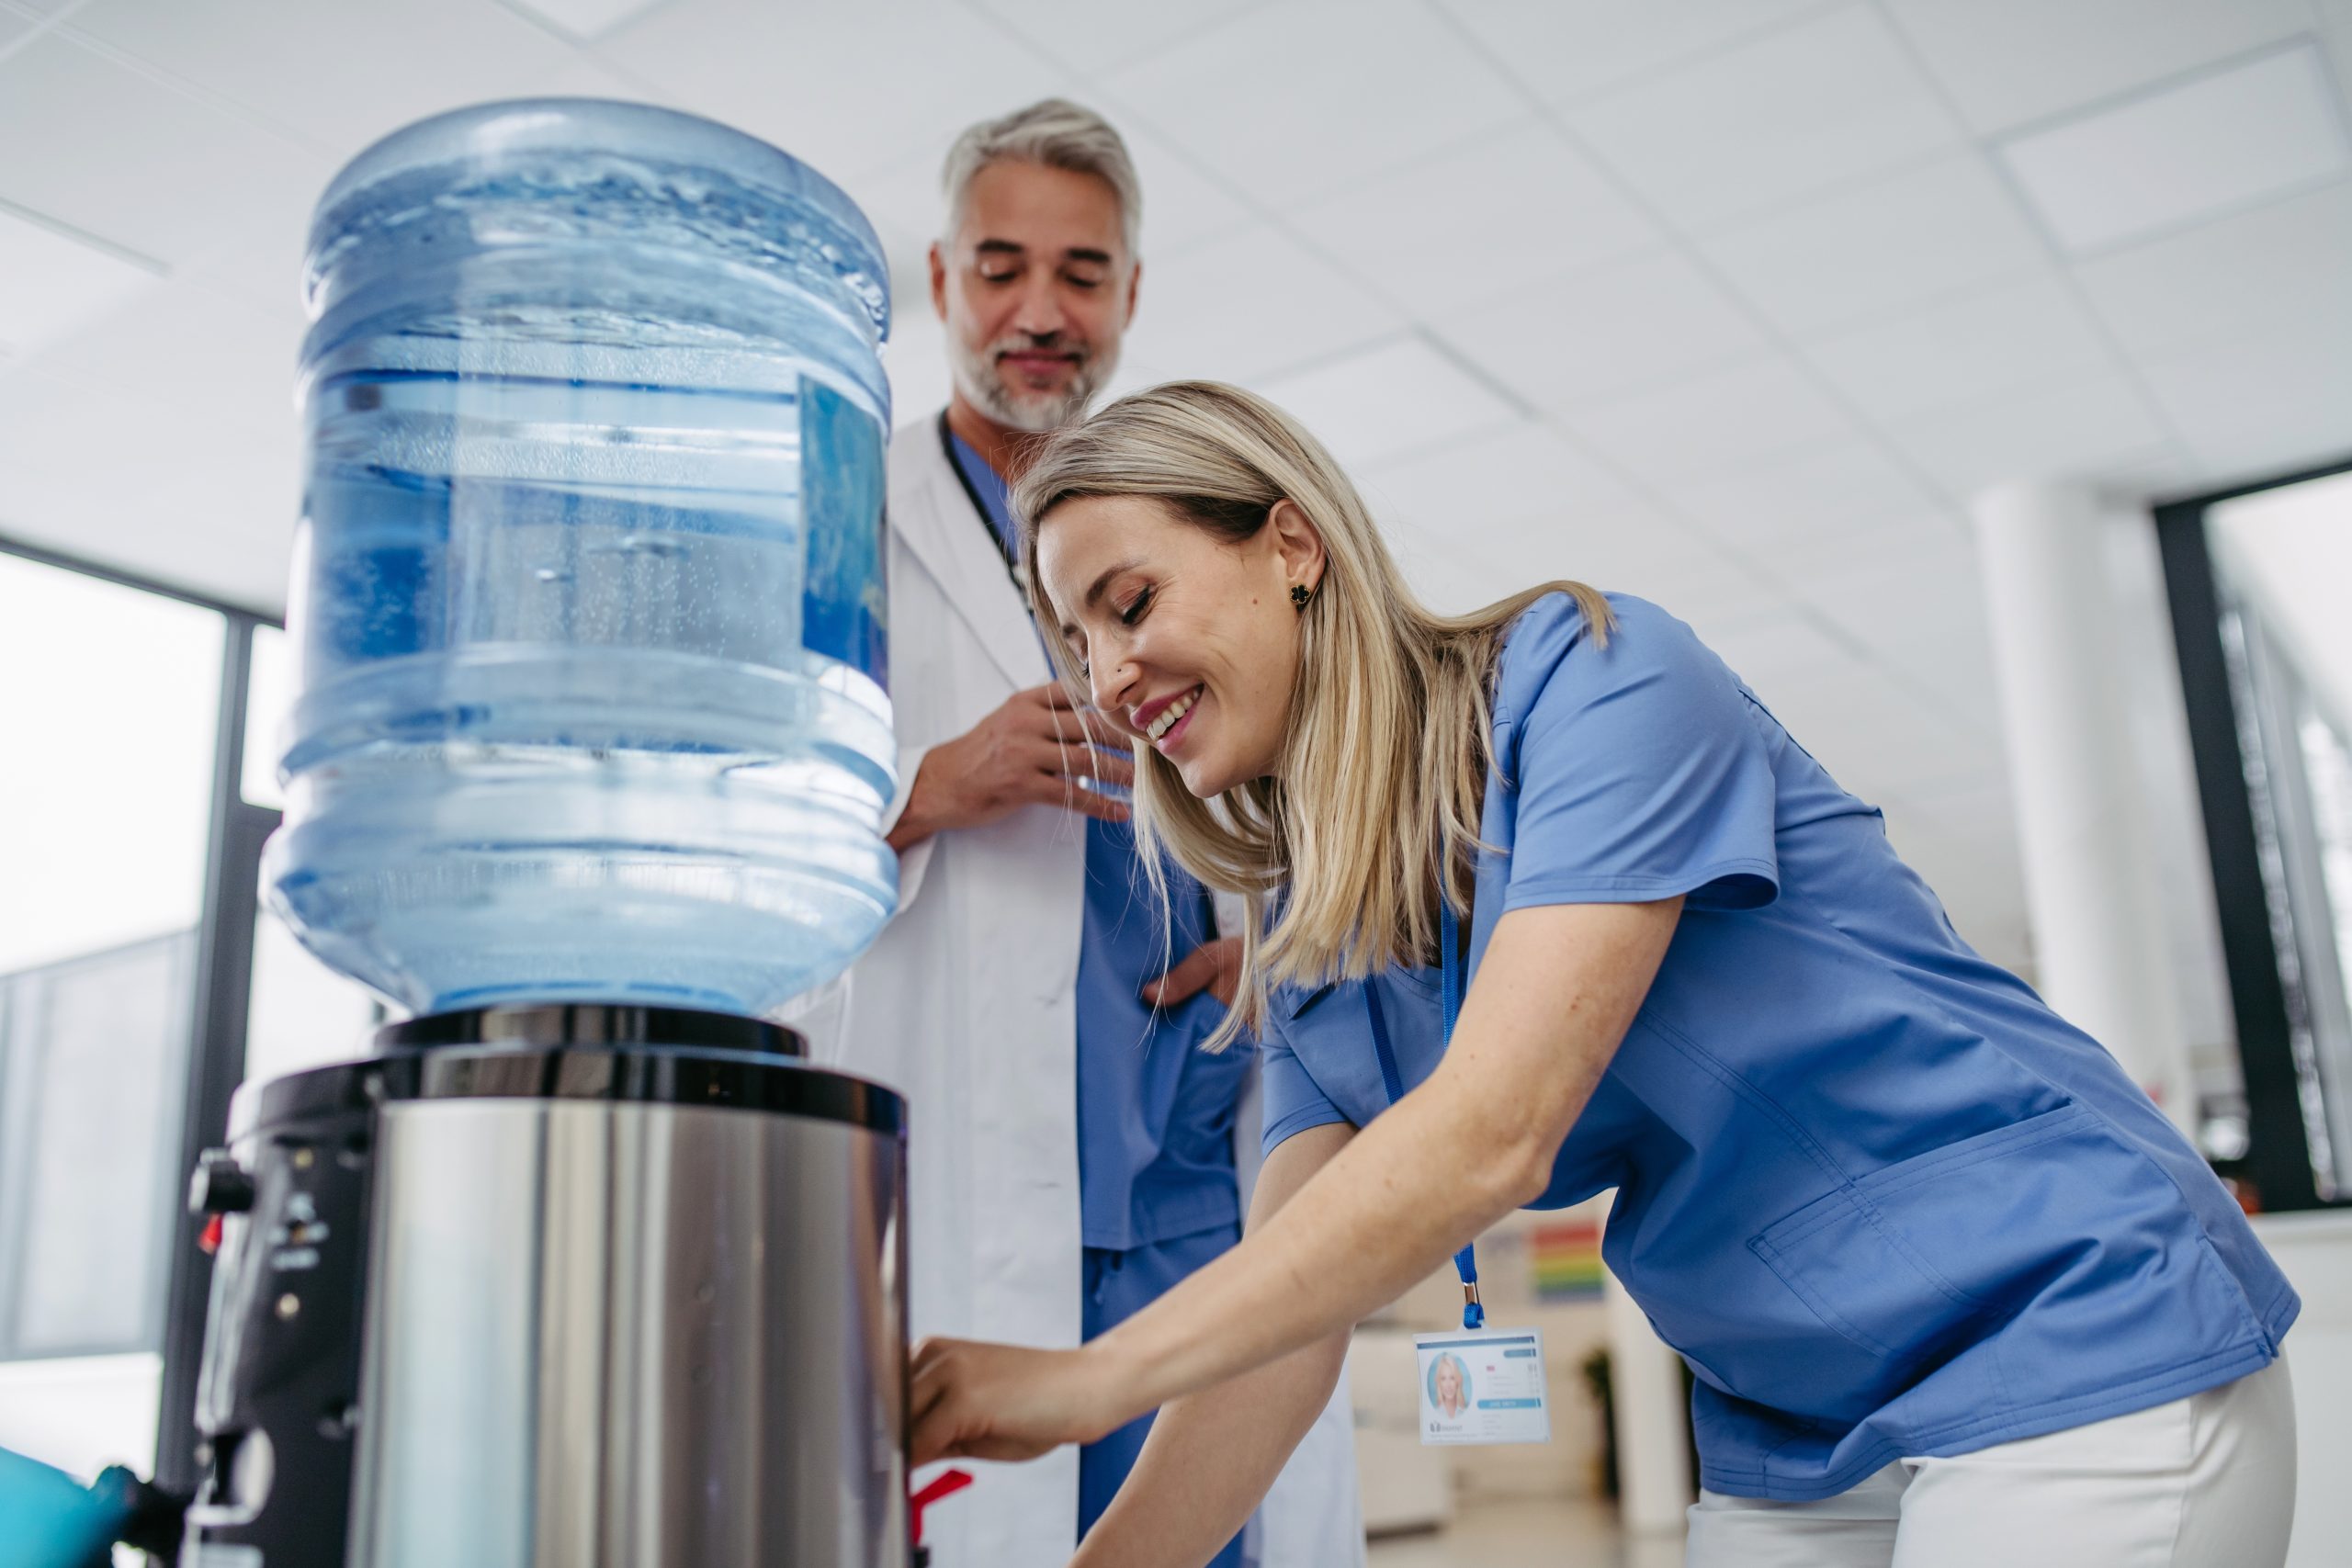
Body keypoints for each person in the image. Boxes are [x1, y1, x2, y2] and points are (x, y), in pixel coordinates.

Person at [903, 381, 2302, 1568]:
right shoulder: (1321, 938)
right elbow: (1285, 1315)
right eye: (1075, 639)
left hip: (2065, 1323)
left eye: (1128, 600)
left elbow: (1496, 1128)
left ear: (1293, 543)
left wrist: (1092, 1380)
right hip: (1794, 1422)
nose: (1105, 673)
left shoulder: (1598, 681)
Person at [824, 109, 1359, 1568]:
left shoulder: (1207, 512)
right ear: (941, 280)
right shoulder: (847, 518)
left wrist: (1284, 932)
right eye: (1002, 268)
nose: (1042, 312)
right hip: (977, 1164)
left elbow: (1320, 775)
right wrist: (930, 781)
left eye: (1082, 271)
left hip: (1191, 1155)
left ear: (1130, 293)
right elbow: (739, 842)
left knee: (1214, 1521)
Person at [1429, 1355, 1468, 1423]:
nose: (1448, 1385)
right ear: (1439, 1383)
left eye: (1452, 1378)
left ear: (1457, 1381)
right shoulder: (1434, 1414)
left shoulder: (1466, 1412)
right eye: (1443, 1379)